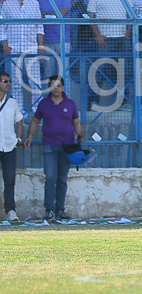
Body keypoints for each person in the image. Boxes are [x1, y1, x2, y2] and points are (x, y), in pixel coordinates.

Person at [23, 74, 81, 221]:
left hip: (67, 146)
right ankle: (49, 210)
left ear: (63, 87)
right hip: (49, 144)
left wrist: (79, 135)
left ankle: (60, 210)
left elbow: (76, 122)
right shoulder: (43, 104)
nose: (56, 88)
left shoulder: (71, 103)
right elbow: (35, 121)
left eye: (58, 85)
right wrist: (30, 135)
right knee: (50, 177)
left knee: (62, 179)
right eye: (53, 85)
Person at [0, 71, 22, 222]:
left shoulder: (12, 103)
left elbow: (19, 122)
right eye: (5, 81)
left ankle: (11, 211)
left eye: (9, 81)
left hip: (8, 147)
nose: (8, 84)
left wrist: (18, 138)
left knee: (9, 181)